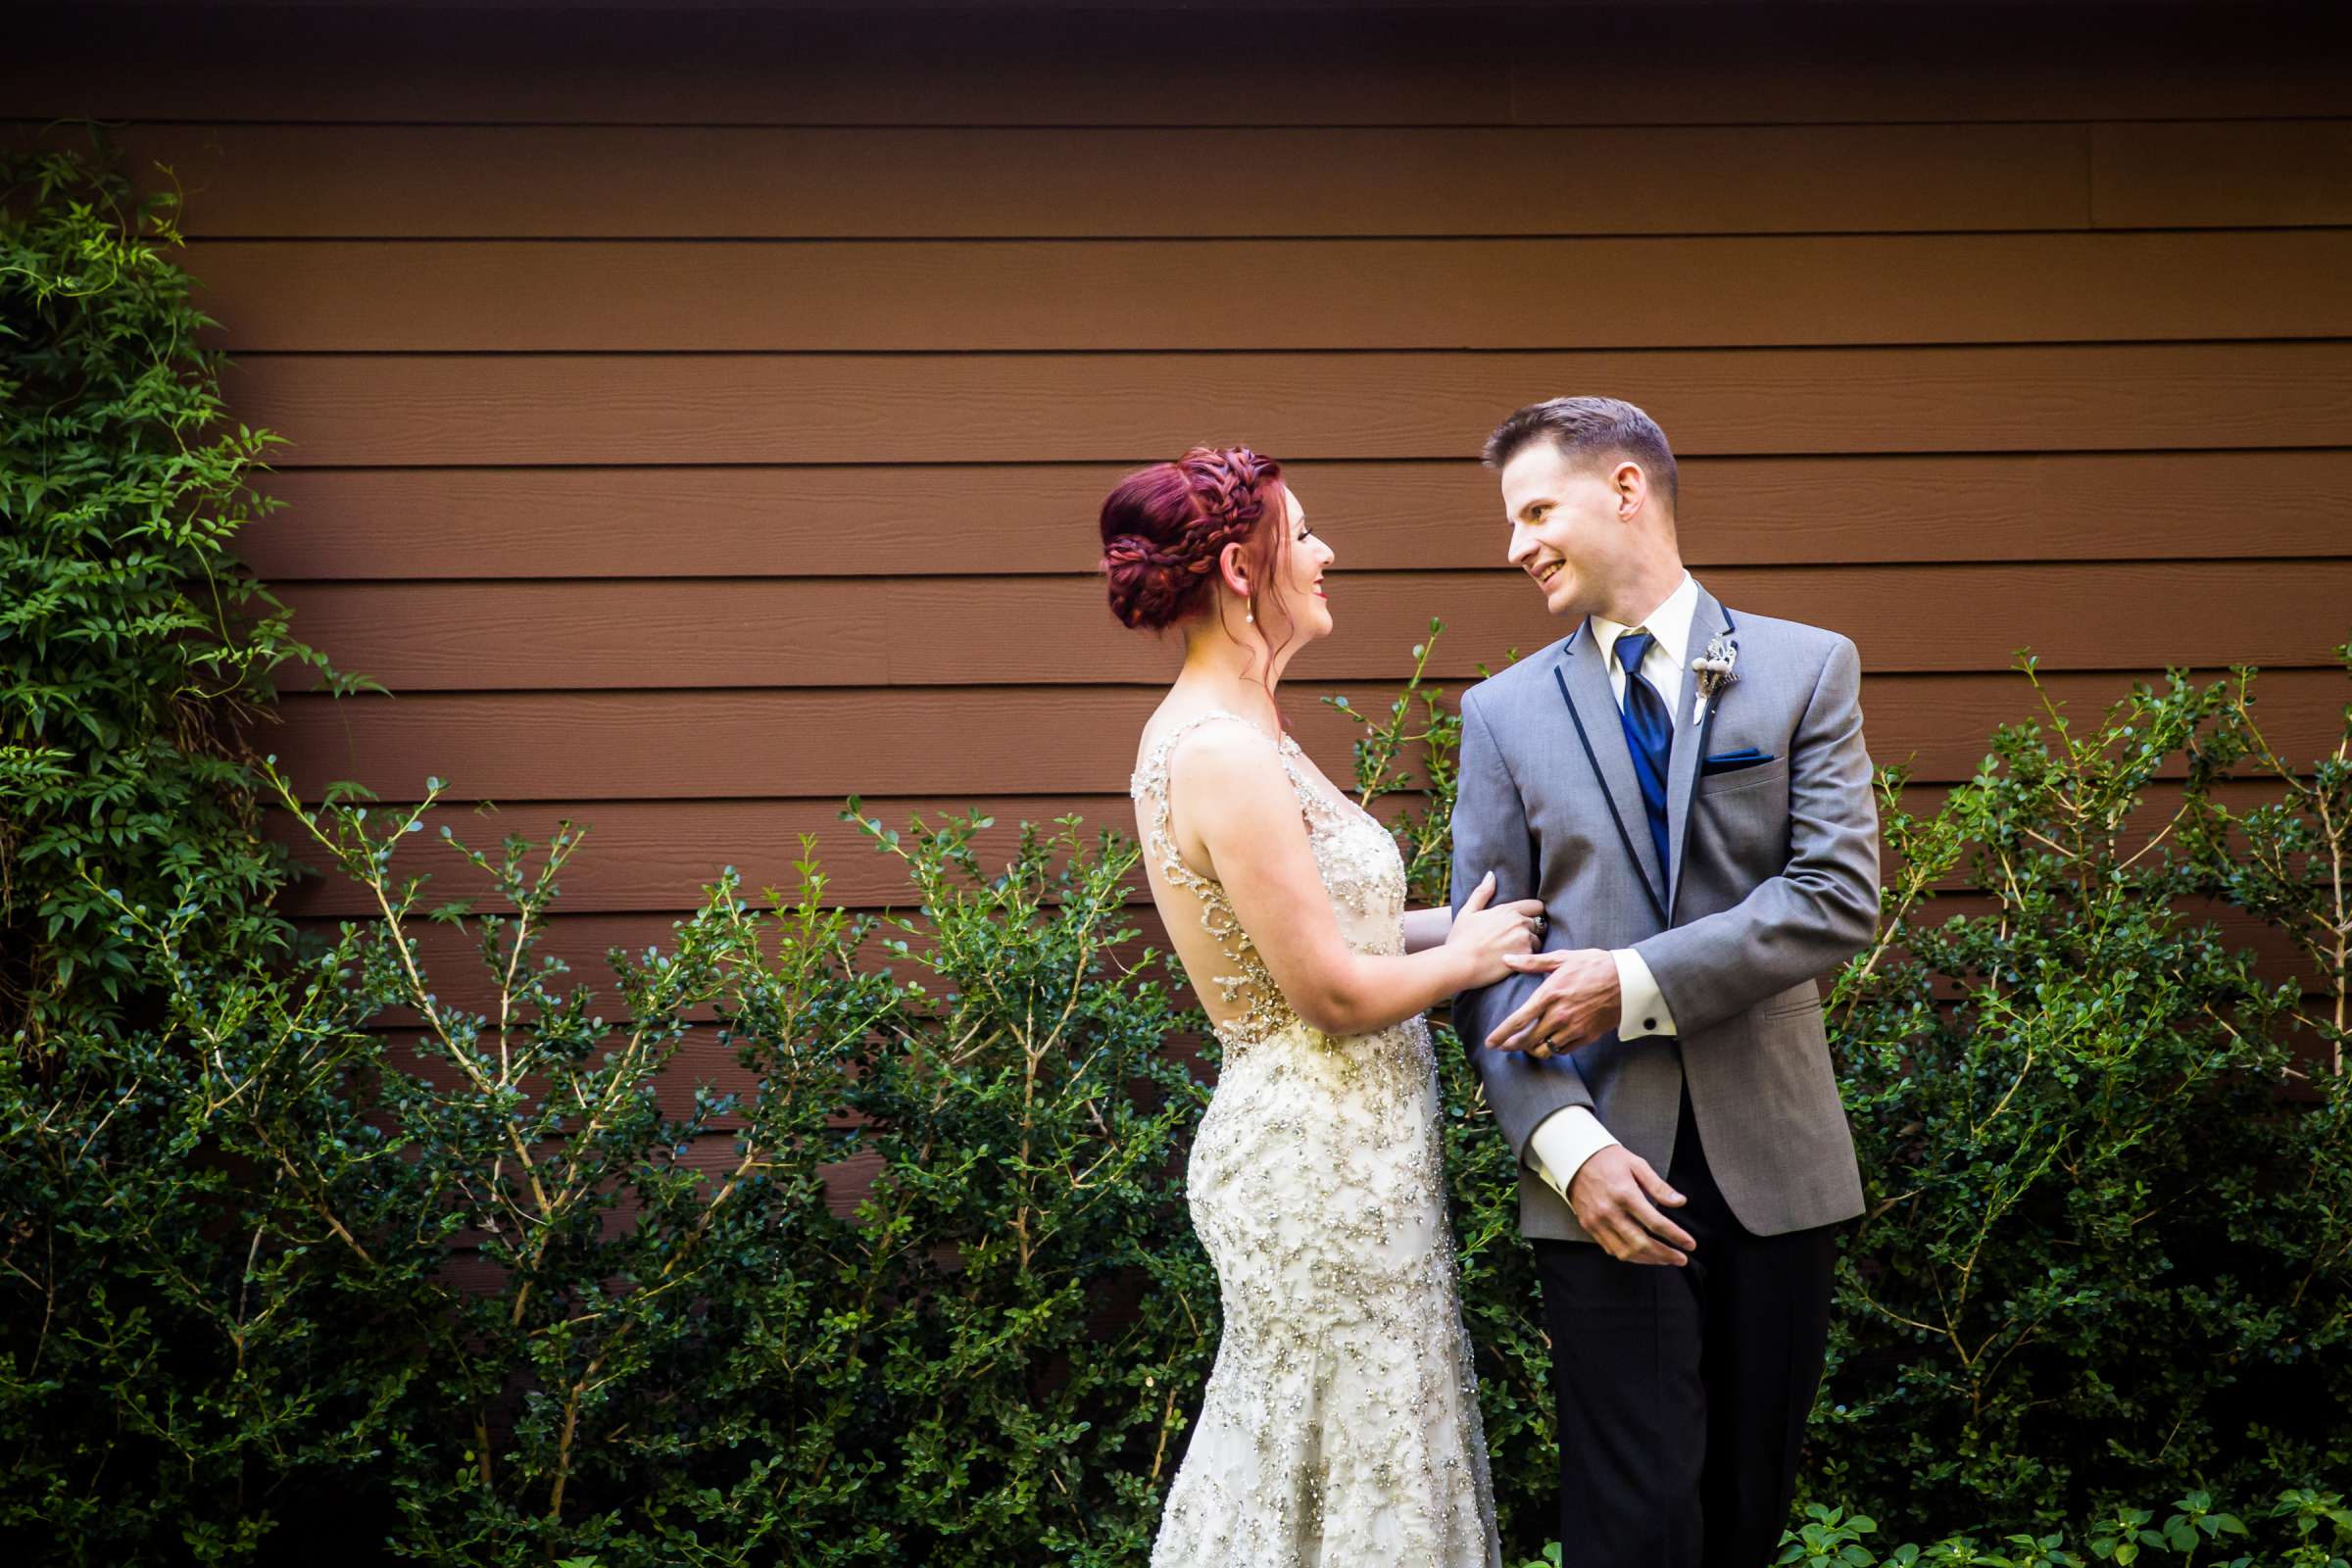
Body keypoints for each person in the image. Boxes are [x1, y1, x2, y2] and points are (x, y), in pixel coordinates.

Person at [1448, 397, 1882, 1568]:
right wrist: (1565, 1148)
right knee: (1628, 1521)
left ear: (1628, 488)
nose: (1517, 544)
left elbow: (1837, 893)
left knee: (1748, 1511)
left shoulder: (1803, 671)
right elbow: (1481, 959)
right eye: (1511, 520)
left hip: (1776, 1164)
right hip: (1601, 1169)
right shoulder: (1499, 714)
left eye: (1537, 509)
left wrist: (1633, 977)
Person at [1106, 445, 1524, 1567]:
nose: (1328, 552)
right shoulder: (1220, 750)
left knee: (1359, 1442)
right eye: (1306, 533)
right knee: (1339, 1442)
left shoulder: (1249, 729)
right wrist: (1471, 953)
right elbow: (1332, 991)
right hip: (1316, 1164)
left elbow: (1354, 943)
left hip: (1355, 1150)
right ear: (1245, 568)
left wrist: (1497, 932)